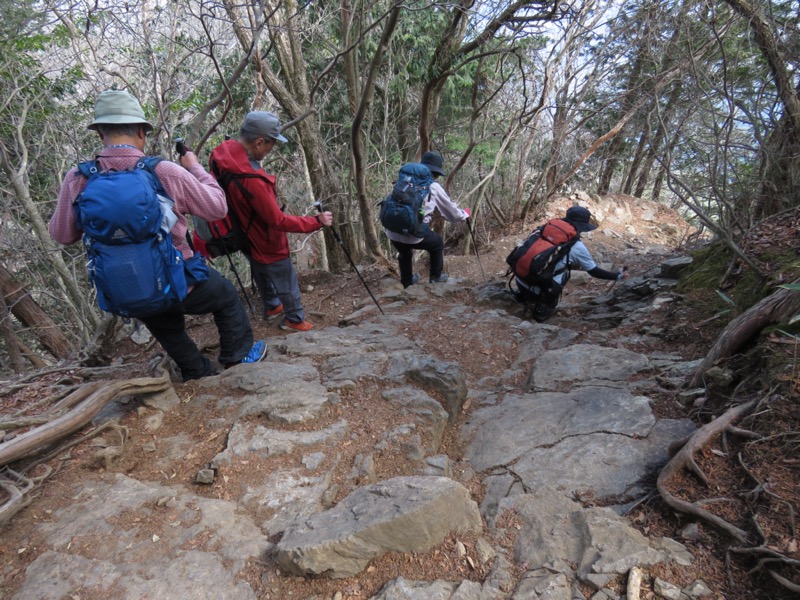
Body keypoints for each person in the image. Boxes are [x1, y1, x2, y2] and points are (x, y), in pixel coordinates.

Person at [49, 89, 267, 381]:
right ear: (142, 131)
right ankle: (237, 360)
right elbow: (217, 208)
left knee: (162, 322)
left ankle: (196, 371)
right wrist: (196, 169)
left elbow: (62, 235)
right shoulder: (164, 171)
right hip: (179, 279)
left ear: (100, 133)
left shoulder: (78, 179)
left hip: (128, 286)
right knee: (225, 296)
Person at [208, 111, 333, 332]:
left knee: (259, 267)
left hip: (239, 231)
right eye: (271, 145)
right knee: (285, 277)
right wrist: (316, 222)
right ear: (258, 142)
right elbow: (277, 220)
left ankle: (272, 306)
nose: (270, 150)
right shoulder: (253, 180)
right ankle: (294, 319)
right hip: (264, 237)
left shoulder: (222, 154)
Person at [514, 205, 628, 322]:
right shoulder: (576, 246)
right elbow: (594, 271)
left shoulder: (544, 228)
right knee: (564, 273)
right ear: (581, 227)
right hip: (537, 292)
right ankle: (544, 308)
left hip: (519, 279)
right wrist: (617, 276)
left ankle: (522, 295)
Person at [385, 151, 470, 287]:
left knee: (404, 251)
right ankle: (435, 277)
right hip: (413, 233)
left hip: (392, 231)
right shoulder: (433, 186)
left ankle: (407, 281)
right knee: (436, 243)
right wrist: (464, 215)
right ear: (436, 172)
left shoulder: (404, 181)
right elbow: (451, 212)